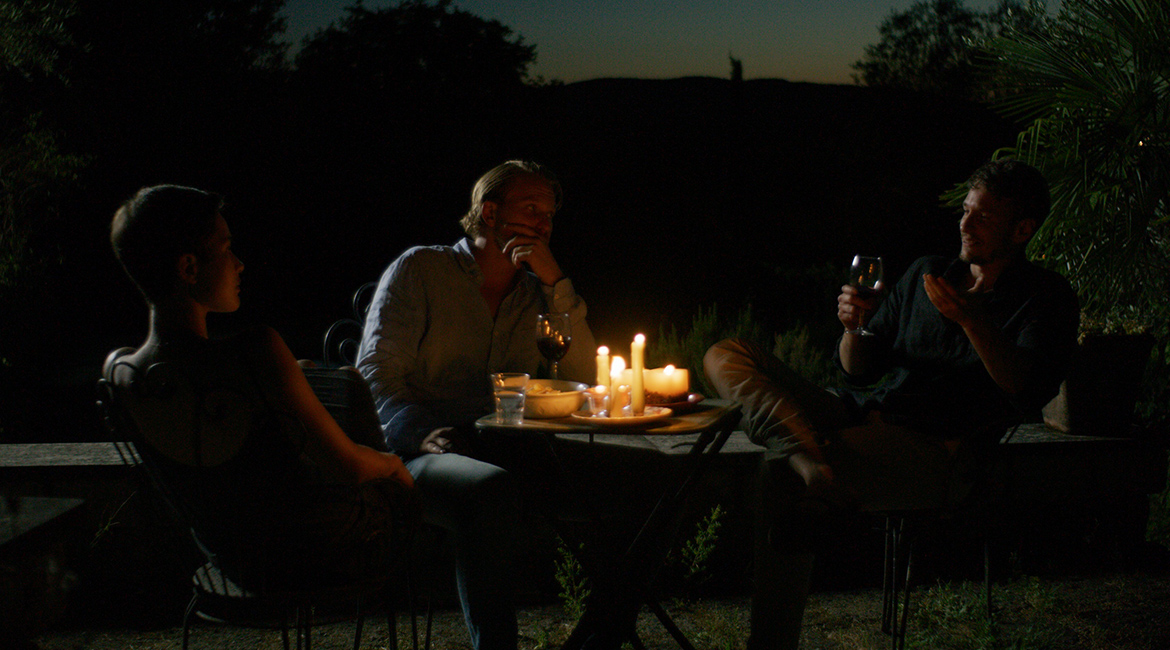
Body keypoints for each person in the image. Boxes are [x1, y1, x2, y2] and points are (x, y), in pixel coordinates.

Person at [703, 159, 1080, 649]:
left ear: (1023, 229)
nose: (964, 224)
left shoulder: (1045, 296)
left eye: (982, 217)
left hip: (938, 449)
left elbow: (1026, 390)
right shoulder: (929, 273)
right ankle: (810, 462)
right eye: (965, 211)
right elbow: (859, 369)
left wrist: (973, 322)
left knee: (778, 477)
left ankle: (771, 641)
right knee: (727, 354)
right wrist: (853, 328)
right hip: (863, 409)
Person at [107, 185, 415, 590]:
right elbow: (351, 468)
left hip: (232, 560)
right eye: (226, 248)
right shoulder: (255, 350)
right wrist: (395, 468)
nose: (239, 264)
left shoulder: (119, 370)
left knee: (324, 382)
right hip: (316, 556)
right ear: (188, 268)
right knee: (356, 409)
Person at [357, 160, 597, 650]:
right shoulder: (422, 269)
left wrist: (557, 285)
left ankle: (600, 636)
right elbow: (375, 375)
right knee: (488, 491)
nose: (544, 225)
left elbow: (589, 378)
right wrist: (421, 432)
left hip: (515, 445)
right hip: (423, 452)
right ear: (489, 213)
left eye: (549, 215)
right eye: (531, 209)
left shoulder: (537, 295)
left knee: (654, 480)